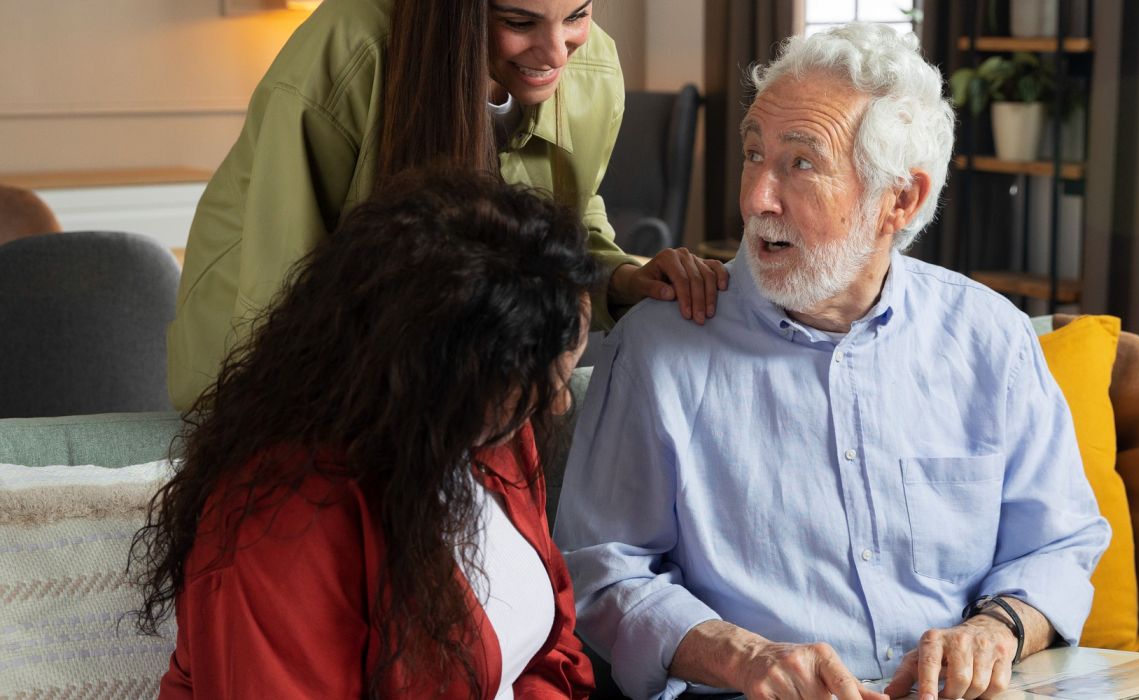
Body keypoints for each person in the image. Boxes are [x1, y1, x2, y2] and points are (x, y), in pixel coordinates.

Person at [554, 23, 1111, 700]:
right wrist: (741, 656)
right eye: (753, 155)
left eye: (800, 163)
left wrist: (995, 632)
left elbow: (1057, 542)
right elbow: (601, 573)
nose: (757, 197)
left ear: (899, 200)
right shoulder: (659, 346)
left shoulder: (990, 337)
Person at [134, 168, 598, 699]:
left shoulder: (494, 437)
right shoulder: (281, 520)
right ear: (441, 377)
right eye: (543, 385)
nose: (559, 405)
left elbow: (550, 654)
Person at [167, 0, 728, 411]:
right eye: (519, 22)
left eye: (578, 14)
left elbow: (569, 219)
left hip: (447, 370)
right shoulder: (349, 51)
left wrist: (624, 277)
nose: (557, 52)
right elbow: (277, 282)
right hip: (279, 355)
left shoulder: (593, 69)